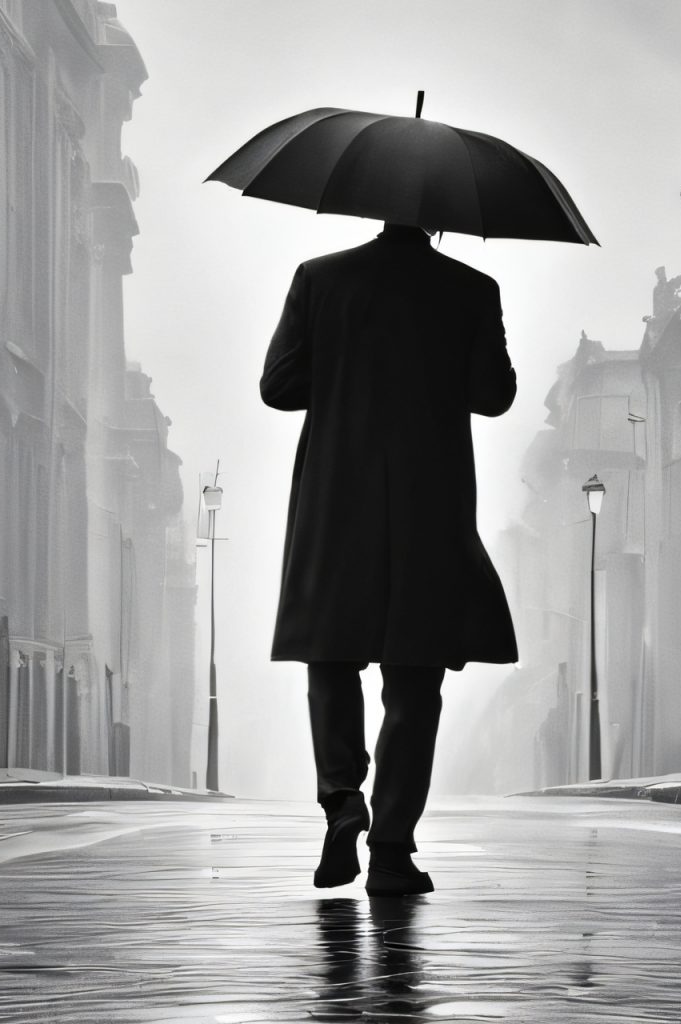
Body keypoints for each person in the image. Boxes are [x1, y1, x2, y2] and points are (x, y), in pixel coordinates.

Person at [260, 219, 517, 896]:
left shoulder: (321, 280)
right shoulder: (471, 288)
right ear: (439, 216)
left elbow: (279, 386)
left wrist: (342, 357)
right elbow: (494, 396)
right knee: (414, 685)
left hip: (337, 497)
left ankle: (343, 800)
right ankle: (393, 850)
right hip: (428, 505)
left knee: (331, 658)